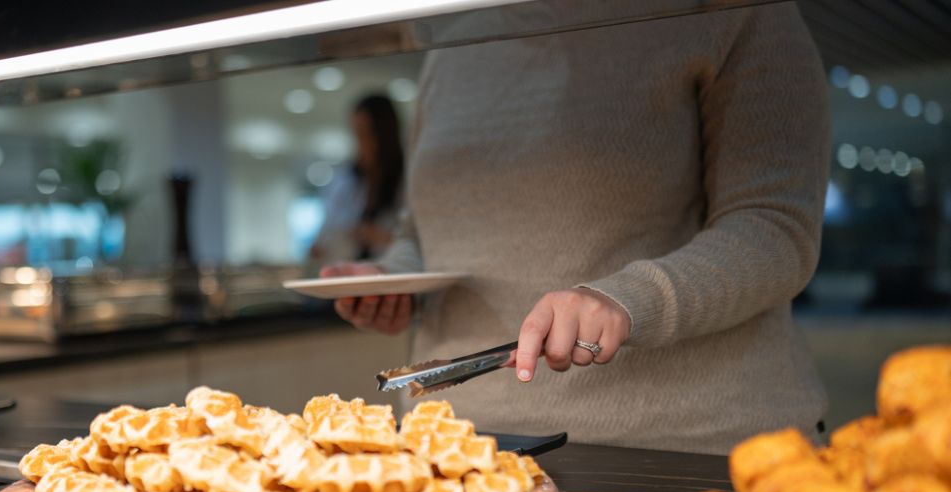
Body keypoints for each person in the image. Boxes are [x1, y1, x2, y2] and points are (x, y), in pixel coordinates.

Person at [325, 4, 829, 455]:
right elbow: (425, 230)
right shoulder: (456, 41)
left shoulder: (734, 13)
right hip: (459, 445)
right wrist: (392, 280)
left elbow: (775, 227)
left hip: (676, 450)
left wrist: (626, 300)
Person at [309, 94, 404, 266]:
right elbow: (328, 232)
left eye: (365, 134)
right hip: (350, 277)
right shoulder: (346, 181)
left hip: (392, 278)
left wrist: (380, 237)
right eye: (356, 134)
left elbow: (417, 243)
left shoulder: (405, 180)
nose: (361, 144)